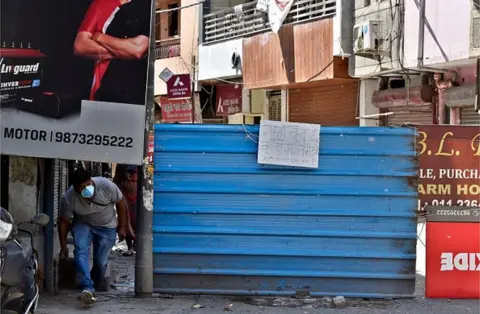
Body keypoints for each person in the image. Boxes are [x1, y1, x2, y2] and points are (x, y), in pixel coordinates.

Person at [58, 169, 127, 304]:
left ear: (92, 181)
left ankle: (93, 284)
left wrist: (123, 227)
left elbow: (121, 203)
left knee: (100, 262)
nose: (86, 189)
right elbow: (64, 222)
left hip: (107, 227)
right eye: (82, 187)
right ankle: (87, 287)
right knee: (80, 252)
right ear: (75, 187)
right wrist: (63, 246)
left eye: (88, 184)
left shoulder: (106, 186)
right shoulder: (69, 198)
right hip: (84, 224)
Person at [73, 0, 150, 105]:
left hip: (139, 88)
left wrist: (99, 37)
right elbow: (80, 46)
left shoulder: (147, 5)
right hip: (105, 89)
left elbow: (138, 49)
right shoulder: (102, 3)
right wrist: (125, 50)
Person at [113, 165, 138, 256]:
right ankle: (130, 247)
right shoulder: (121, 164)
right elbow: (116, 179)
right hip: (124, 194)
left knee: (137, 219)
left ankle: (137, 244)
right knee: (126, 219)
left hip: (138, 195)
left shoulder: (142, 160)